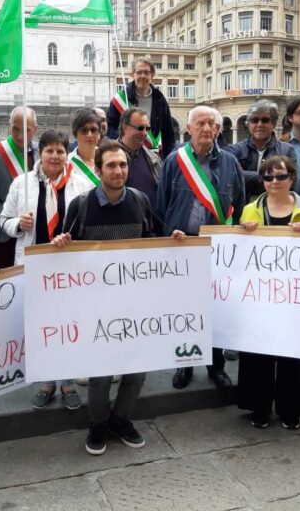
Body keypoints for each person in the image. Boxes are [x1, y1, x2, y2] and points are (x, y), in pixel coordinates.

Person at [51, 140, 186, 454]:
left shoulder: (140, 200)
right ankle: (97, 425)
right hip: (95, 306)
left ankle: (121, 419)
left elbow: (152, 241)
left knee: (136, 371)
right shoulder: (81, 205)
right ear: (98, 169)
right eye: (111, 165)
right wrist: (59, 242)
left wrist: (173, 240)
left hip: (135, 304)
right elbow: (65, 252)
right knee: (99, 374)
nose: (118, 170)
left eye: (123, 165)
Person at [0, 130, 92, 410]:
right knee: (43, 326)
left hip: (69, 268)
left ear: (67, 154)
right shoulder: (22, 184)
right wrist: (18, 224)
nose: (54, 156)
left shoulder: (82, 183)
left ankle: (67, 381)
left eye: (60, 151)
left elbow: (89, 224)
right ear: (40, 154)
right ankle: (47, 382)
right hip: (35, 265)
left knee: (68, 325)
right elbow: (3, 219)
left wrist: (76, 238)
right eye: (49, 150)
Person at [156, 105, 245, 390]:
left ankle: (215, 366)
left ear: (219, 129)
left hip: (217, 247)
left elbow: (239, 203)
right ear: (189, 128)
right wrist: (168, 236)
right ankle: (184, 364)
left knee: (215, 308)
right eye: (200, 123)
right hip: (183, 245)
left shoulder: (231, 162)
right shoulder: (174, 160)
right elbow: (161, 204)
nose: (206, 128)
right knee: (184, 309)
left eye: (212, 124)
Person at [238, 156, 300, 429]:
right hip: (260, 295)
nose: (274, 182)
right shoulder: (250, 209)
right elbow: (238, 252)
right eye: (268, 177)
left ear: (292, 178)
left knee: (290, 354)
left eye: (280, 176)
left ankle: (290, 409)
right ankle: (259, 408)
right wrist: (244, 231)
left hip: (293, 295)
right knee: (258, 352)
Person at [0, 107, 39, 270]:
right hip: (4, 235)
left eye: (26, 130)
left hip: (36, 231)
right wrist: (12, 221)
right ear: (9, 126)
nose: (20, 135)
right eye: (15, 129)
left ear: (35, 129)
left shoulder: (42, 152)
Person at [226, 99, 297, 203]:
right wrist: (273, 177)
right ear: (249, 124)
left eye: (265, 120)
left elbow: (292, 181)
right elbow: (229, 178)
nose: (259, 124)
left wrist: (244, 175)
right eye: (254, 120)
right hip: (242, 211)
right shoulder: (235, 149)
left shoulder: (287, 150)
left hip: (276, 209)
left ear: (273, 124)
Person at [107, 57, 175, 159]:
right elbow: (110, 127)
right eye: (139, 72)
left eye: (146, 72)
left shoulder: (160, 99)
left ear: (152, 75)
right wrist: (124, 139)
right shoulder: (121, 99)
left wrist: (168, 159)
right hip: (127, 154)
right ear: (132, 74)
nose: (142, 76)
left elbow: (168, 133)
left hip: (154, 156)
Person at [119, 107, 162, 209]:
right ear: (125, 127)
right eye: (140, 128)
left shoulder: (154, 159)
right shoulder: (109, 157)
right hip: (123, 222)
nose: (145, 133)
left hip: (152, 222)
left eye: (147, 128)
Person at [68, 108, 101, 187]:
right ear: (75, 134)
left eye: (93, 130)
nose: (89, 135)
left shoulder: (108, 158)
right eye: (84, 130)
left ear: (99, 133)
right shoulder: (67, 163)